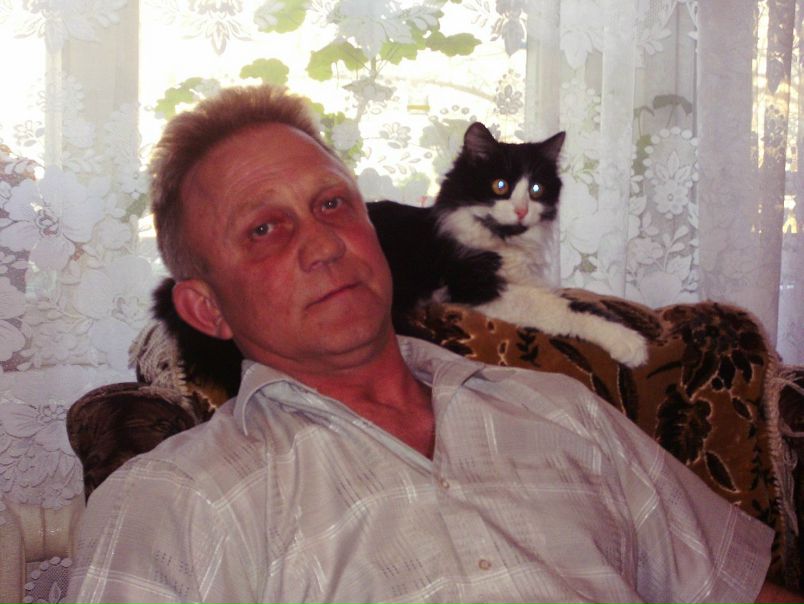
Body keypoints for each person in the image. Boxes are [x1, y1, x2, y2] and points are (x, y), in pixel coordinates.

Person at [65, 84, 799, 604]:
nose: (323, 243)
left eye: (332, 204)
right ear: (206, 308)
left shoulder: (564, 411)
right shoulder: (173, 498)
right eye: (264, 228)